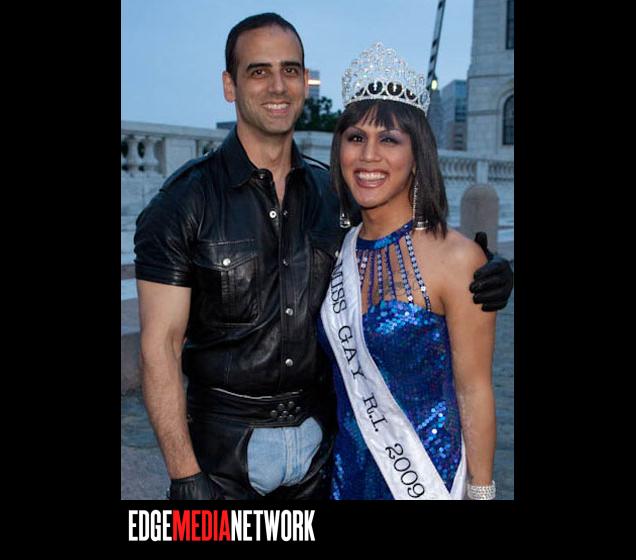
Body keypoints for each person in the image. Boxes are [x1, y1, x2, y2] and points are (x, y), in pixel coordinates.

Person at [133, 14, 513, 501]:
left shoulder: (335, 198)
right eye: (258, 71)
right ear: (230, 85)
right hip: (223, 457)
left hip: (323, 461)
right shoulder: (183, 203)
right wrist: (185, 475)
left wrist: (490, 270)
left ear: (304, 83)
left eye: (290, 70)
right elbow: (159, 348)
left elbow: (405, 238)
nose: (278, 86)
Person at [318, 43, 499, 500]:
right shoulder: (335, 249)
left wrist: (481, 492)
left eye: (389, 140)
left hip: (426, 479)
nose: (368, 155)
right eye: (355, 137)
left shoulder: (457, 258)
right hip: (346, 477)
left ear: (417, 155)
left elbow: (475, 390)